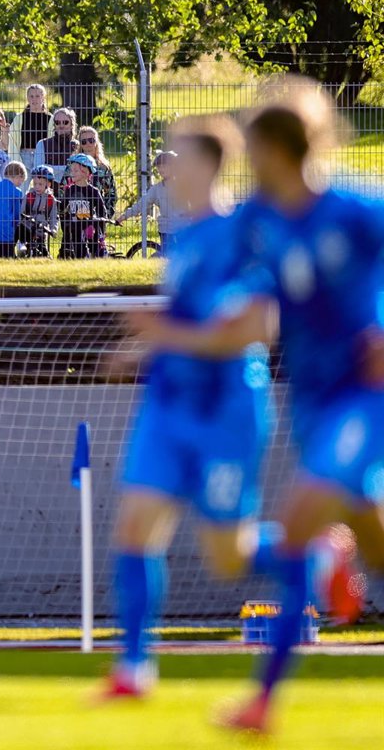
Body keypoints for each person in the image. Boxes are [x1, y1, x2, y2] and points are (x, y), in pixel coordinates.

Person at [211, 82, 382, 735]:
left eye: (254, 148)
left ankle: (262, 703)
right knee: (374, 543)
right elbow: (228, 281)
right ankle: (339, 562)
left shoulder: (357, 210)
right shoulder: (258, 219)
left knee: (297, 526)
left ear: (281, 149)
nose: (248, 161)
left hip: (365, 397)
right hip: (310, 400)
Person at [99, 114, 280, 701]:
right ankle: (133, 669)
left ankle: (317, 556)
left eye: (174, 159)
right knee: (134, 528)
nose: (165, 171)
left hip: (226, 410)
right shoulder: (186, 241)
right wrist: (139, 348)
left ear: (205, 164)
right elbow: (188, 322)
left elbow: (255, 331)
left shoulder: (243, 235)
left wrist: (162, 335)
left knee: (229, 556)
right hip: (169, 405)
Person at [119, 151, 185, 252]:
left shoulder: (185, 186)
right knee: (168, 256)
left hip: (184, 228)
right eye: (159, 167)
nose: (161, 169)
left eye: (164, 166)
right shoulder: (156, 189)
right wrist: (124, 216)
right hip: (166, 230)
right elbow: (141, 204)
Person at [58, 153, 108, 259]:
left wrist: (102, 230)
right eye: (71, 170)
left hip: (90, 227)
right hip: (74, 228)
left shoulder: (93, 191)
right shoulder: (70, 190)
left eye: (75, 171)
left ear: (86, 172)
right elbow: (62, 208)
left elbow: (101, 211)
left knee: (95, 249)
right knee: (79, 251)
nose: (72, 173)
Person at [70, 125, 117, 218]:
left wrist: (106, 215)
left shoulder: (104, 167)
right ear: (80, 144)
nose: (88, 144)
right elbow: (63, 189)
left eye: (91, 140)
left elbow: (111, 193)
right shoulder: (72, 165)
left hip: (97, 215)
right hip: (75, 213)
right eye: (84, 141)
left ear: (97, 142)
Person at [8, 84, 53, 175]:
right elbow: (13, 141)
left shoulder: (50, 119)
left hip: (42, 156)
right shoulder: (19, 118)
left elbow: (52, 140)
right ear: (27, 98)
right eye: (31, 96)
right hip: (24, 156)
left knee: (41, 182)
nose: (34, 99)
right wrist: (17, 161)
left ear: (43, 97)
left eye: (37, 96)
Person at [16, 165, 59, 258]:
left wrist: (53, 229)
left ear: (48, 184)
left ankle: (44, 255)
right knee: (24, 236)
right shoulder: (29, 196)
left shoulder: (51, 200)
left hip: (42, 229)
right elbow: (21, 211)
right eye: (35, 184)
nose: (37, 187)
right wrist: (20, 221)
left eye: (40, 184)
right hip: (27, 227)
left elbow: (54, 216)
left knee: (43, 251)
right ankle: (22, 245)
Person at [34, 107, 80, 187]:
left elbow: (80, 172)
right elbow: (38, 171)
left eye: (65, 122)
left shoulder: (78, 145)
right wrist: (66, 169)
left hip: (73, 190)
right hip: (47, 190)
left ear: (71, 125)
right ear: (54, 125)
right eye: (57, 122)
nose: (61, 125)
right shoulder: (42, 144)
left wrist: (49, 168)